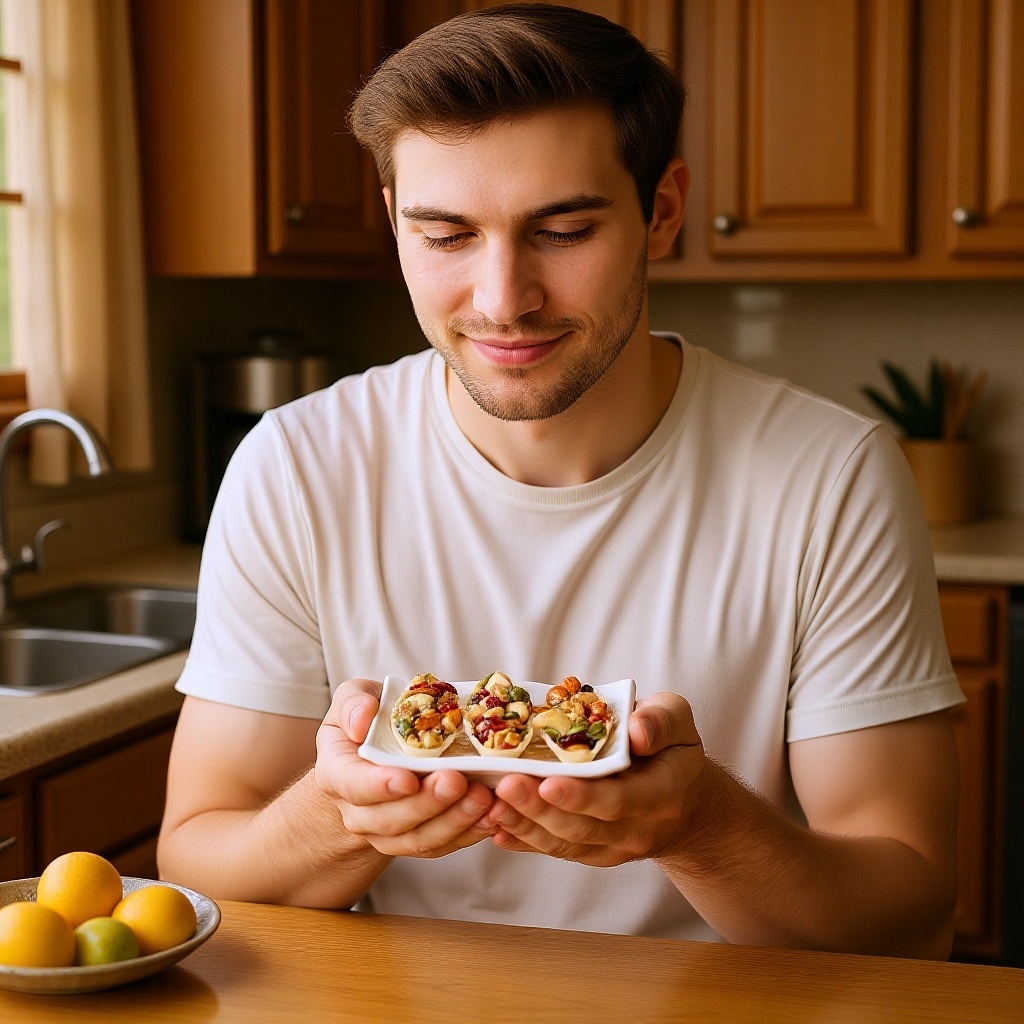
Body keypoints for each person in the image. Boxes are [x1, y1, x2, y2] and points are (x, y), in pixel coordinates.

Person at [158, 3, 964, 957]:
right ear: (393, 223)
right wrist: (343, 815)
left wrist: (702, 828)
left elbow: (910, 906)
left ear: (660, 212)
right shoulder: (296, 466)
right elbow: (198, 860)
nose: (503, 300)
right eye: (446, 235)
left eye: (565, 229)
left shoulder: (830, 477)